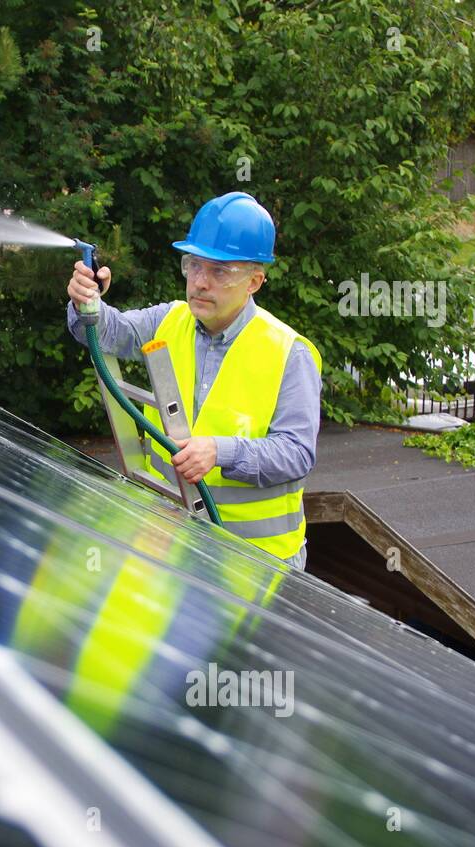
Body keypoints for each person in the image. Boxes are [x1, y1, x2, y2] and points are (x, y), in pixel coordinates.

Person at [66, 192, 322, 571]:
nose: (201, 282)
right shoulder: (171, 320)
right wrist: (85, 302)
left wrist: (219, 452)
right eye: (194, 265)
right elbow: (106, 332)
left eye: (220, 271)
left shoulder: (289, 352)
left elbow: (297, 454)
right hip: (172, 542)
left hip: (257, 563)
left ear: (255, 281)